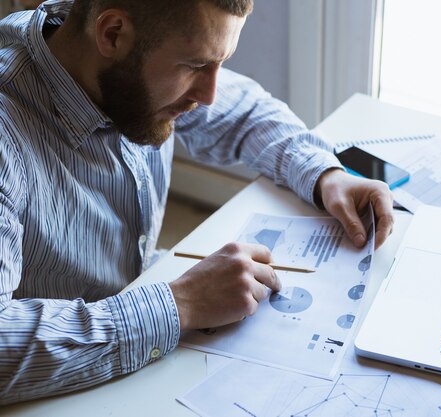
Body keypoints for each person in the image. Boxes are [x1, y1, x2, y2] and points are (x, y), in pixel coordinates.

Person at [0, 0, 394, 405]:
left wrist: (326, 176)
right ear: (112, 33)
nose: (209, 95)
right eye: (195, 66)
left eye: (219, 63)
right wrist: (181, 303)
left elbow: (247, 113)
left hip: (131, 321)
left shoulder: (115, 65)